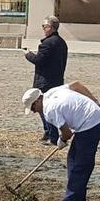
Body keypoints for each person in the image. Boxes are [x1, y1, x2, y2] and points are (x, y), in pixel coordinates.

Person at [23, 81, 100, 201]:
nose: (33, 112)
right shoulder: (52, 92)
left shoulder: (49, 110)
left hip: (91, 123)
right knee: (73, 159)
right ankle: (76, 198)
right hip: (89, 119)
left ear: (37, 101)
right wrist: (95, 101)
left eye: (32, 108)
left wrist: (62, 140)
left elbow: (67, 133)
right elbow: (76, 85)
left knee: (80, 163)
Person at [25, 15, 69, 145]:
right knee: (48, 108)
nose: (43, 29)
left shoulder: (48, 43)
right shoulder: (61, 42)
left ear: (50, 27)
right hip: (57, 80)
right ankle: (48, 132)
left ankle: (51, 134)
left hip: (45, 81)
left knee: (44, 108)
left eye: (44, 26)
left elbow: (39, 61)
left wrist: (28, 55)